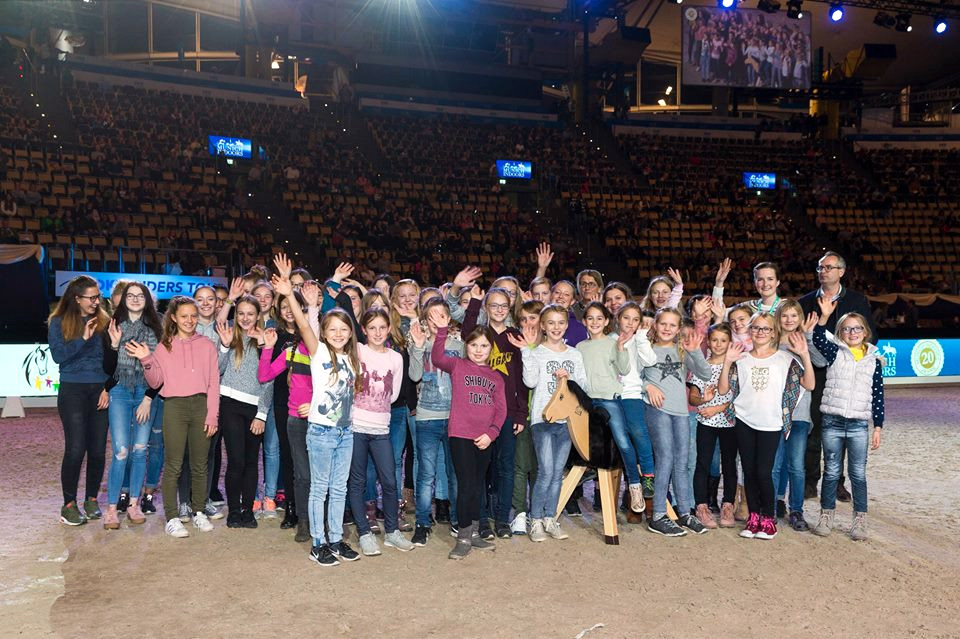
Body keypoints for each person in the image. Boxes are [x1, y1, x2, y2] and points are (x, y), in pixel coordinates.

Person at [717, 313, 814, 541]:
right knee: (749, 472)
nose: (760, 332)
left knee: (764, 472)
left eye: (766, 329)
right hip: (744, 421)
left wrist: (805, 355)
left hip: (771, 423)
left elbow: (809, 384)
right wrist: (727, 362)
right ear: (750, 331)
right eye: (756, 328)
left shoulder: (784, 360)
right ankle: (754, 518)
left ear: (773, 332)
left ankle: (768, 519)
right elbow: (723, 391)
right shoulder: (741, 359)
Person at [130, 296, 220, 538]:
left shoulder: (207, 345)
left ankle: (199, 512)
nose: (190, 320)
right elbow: (156, 381)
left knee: (200, 465)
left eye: (193, 315)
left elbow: (213, 383)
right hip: (174, 407)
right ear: (173, 318)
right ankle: (172, 517)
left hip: (201, 405)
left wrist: (213, 415)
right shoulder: (163, 346)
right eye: (184, 316)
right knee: (174, 465)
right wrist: (146, 359)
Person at [428, 308, 507, 559]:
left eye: (484, 345)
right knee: (465, 486)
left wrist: (491, 434)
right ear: (467, 346)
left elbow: (501, 410)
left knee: (477, 487)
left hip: (485, 438)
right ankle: (462, 537)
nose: (478, 349)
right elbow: (438, 358)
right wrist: (441, 331)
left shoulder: (496, 377)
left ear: (490, 349)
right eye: (474, 344)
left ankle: (474, 533)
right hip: (461, 435)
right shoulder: (458, 366)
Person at [799, 251, 876, 501]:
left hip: (845, 373)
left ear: (841, 271)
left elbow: (870, 335)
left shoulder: (857, 299)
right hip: (816, 373)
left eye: (829, 267)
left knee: (840, 428)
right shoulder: (805, 302)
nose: (823, 271)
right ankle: (810, 480)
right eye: (820, 267)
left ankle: (837, 482)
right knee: (814, 428)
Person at [511, 304, 587, 543]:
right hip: (542, 421)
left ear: (566, 325)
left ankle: (550, 517)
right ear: (543, 325)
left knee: (557, 474)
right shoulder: (538, 352)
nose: (556, 327)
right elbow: (530, 381)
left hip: (567, 422)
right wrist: (526, 351)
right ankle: (535, 519)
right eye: (551, 323)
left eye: (560, 322)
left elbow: (583, 385)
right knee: (544, 471)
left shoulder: (574, 354)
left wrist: (569, 378)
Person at [810, 301, 885, 541]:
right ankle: (826, 515)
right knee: (831, 472)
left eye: (857, 328)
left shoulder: (874, 361)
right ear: (840, 333)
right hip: (832, 422)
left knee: (858, 474)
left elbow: (878, 396)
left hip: (858, 426)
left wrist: (878, 427)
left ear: (866, 332)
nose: (852, 333)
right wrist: (825, 316)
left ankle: (859, 520)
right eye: (847, 329)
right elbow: (819, 337)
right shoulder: (835, 352)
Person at [459, 285, 528, 540]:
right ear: (487, 308)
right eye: (493, 305)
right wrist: (475, 301)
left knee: (505, 467)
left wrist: (521, 413)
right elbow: (466, 333)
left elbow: (522, 378)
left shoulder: (515, 335)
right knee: (481, 470)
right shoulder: (481, 334)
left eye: (503, 305)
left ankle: (501, 519)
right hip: (480, 412)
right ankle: (482, 521)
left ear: (509, 308)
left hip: (508, 412)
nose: (498, 309)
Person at [348, 308, 415, 556]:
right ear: (364, 330)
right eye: (372, 328)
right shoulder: (357, 350)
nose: (377, 332)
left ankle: (392, 532)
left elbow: (394, 394)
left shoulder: (396, 358)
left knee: (389, 480)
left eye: (382, 327)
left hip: (381, 428)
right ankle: (364, 533)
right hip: (356, 427)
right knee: (357, 481)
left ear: (389, 329)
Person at [641, 307, 713, 537]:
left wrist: (695, 352)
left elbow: (705, 374)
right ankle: (659, 515)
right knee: (665, 458)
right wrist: (647, 386)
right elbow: (629, 376)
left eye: (672, 325)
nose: (667, 328)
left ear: (678, 329)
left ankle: (684, 512)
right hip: (657, 410)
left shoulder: (682, 351)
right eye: (663, 324)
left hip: (681, 412)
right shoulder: (646, 349)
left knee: (682, 462)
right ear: (655, 325)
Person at [49, 275, 111, 526]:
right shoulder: (59, 321)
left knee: (97, 450)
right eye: (91, 297)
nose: (97, 301)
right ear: (76, 298)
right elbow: (58, 356)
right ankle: (69, 505)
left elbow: (110, 360)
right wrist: (82, 339)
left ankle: (92, 499)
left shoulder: (104, 321)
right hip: (72, 390)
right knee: (76, 448)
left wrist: (108, 388)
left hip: (100, 391)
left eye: (98, 297)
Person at [100, 282, 163, 529]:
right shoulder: (114, 326)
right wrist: (114, 345)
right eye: (130, 295)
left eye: (140, 295)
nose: (135, 299)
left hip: (146, 393)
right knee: (121, 451)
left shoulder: (157, 328)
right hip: (120, 390)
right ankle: (112, 509)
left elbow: (160, 370)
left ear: (147, 299)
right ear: (123, 299)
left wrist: (148, 397)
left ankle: (134, 504)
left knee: (140, 450)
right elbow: (107, 369)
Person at [213, 296, 274, 529]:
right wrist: (225, 346)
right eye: (241, 313)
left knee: (251, 462)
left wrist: (261, 414)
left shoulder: (266, 339)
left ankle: (248, 511)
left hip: (255, 408)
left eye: (250, 313)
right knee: (236, 461)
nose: (245, 318)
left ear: (258, 315)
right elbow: (217, 370)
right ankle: (234, 511)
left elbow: (268, 381)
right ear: (235, 315)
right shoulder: (230, 336)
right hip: (230, 404)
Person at [408, 297, 463, 546]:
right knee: (426, 474)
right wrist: (418, 348)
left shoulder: (458, 346)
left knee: (455, 474)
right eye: (431, 316)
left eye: (441, 315)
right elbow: (415, 375)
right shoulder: (419, 343)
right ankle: (422, 522)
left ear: (449, 319)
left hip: (455, 418)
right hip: (427, 418)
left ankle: (456, 519)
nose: (436, 321)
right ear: (424, 319)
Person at [576, 303, 640, 511]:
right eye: (590, 318)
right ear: (585, 321)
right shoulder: (580, 347)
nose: (594, 322)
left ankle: (634, 484)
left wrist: (621, 348)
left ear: (606, 321)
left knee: (622, 441)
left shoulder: (612, 343)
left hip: (608, 399)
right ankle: (587, 471)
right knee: (584, 441)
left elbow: (624, 368)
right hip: (586, 401)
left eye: (599, 318)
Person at [688, 323, 737, 529]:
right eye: (714, 340)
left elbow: (737, 395)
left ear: (729, 343)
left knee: (729, 464)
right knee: (703, 463)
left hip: (730, 421)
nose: (718, 344)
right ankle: (701, 505)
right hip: (705, 421)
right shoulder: (702, 365)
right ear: (708, 341)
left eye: (723, 340)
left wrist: (717, 408)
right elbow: (693, 397)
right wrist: (702, 401)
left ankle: (728, 505)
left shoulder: (736, 365)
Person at [772, 301, 816, 530]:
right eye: (784, 316)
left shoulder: (803, 341)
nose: (789, 320)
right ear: (778, 318)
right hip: (773, 414)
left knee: (796, 466)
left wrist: (806, 344)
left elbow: (819, 362)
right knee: (776, 464)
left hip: (799, 414)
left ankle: (796, 510)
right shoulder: (771, 344)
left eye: (793, 315)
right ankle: (775, 503)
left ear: (800, 318)